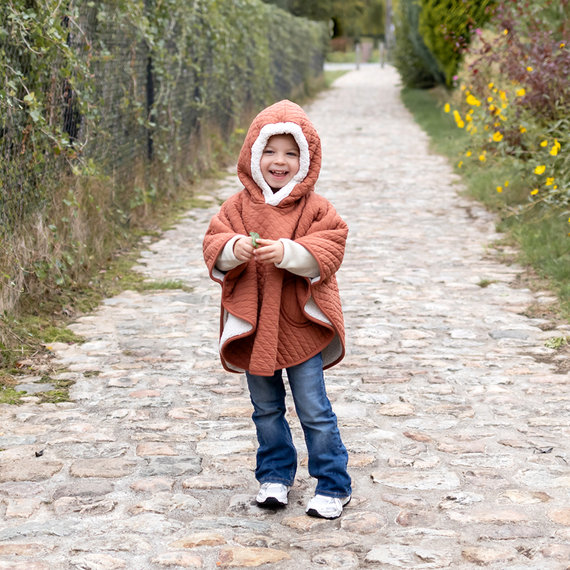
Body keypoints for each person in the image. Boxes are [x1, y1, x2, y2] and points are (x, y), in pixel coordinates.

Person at [203, 100, 351, 519]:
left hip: (299, 325)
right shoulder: (236, 207)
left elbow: (331, 244)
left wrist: (289, 252)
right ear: (253, 154)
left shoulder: (315, 208)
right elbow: (213, 242)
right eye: (269, 151)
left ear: (306, 160)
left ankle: (333, 483)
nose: (279, 161)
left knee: (313, 409)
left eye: (291, 152)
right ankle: (274, 475)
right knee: (266, 408)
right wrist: (234, 248)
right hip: (255, 325)